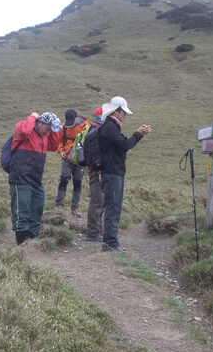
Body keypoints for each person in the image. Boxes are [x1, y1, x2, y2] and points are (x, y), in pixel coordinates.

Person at [98, 96, 151, 252]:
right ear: (117, 111)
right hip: (112, 173)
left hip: (114, 173)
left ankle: (110, 242)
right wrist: (138, 134)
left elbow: (121, 145)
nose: (125, 116)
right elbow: (125, 145)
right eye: (124, 113)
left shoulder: (111, 126)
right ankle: (111, 244)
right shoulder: (110, 127)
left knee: (113, 207)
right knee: (113, 208)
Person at [9, 111, 61, 245]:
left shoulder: (45, 136)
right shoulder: (23, 130)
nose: (48, 132)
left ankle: (33, 241)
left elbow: (54, 146)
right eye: (47, 128)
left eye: (51, 130)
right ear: (39, 123)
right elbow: (26, 130)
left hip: (36, 180)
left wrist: (54, 129)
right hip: (20, 179)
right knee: (22, 211)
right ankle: (22, 245)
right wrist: (33, 116)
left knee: (37, 209)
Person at [55, 109, 89, 217]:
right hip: (67, 159)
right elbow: (59, 141)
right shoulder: (63, 127)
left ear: (76, 117)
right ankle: (59, 204)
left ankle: (75, 207)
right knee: (64, 179)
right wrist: (61, 151)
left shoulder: (84, 126)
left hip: (80, 159)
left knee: (77, 182)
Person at [86, 107, 104, 241]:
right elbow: (96, 153)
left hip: (94, 170)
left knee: (99, 201)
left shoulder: (93, 130)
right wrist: (99, 170)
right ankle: (93, 232)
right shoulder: (97, 131)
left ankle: (98, 230)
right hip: (96, 171)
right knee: (97, 201)